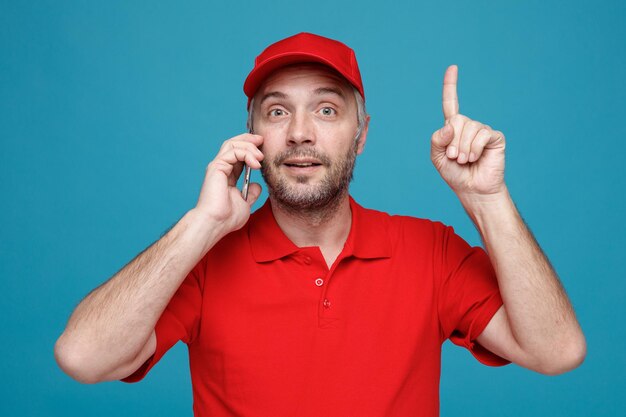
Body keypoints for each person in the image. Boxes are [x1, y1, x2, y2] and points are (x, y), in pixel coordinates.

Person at [54, 32, 586, 416]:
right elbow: (82, 358)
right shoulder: (203, 260)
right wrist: (202, 224)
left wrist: (487, 198)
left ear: (362, 134)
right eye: (278, 112)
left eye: (327, 111)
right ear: (253, 134)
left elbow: (556, 351)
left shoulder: (430, 251)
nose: (301, 133)